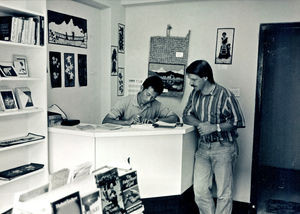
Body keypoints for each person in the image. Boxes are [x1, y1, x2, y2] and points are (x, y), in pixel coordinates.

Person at [182, 60, 245, 214]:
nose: (191, 83)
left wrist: (214, 127)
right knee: (200, 191)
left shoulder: (224, 95)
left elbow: (238, 121)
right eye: (190, 79)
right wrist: (201, 124)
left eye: (194, 79)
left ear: (205, 77)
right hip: (203, 149)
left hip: (223, 148)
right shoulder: (195, 94)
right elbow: (186, 115)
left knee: (224, 193)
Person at [102, 75, 179, 125]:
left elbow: (175, 118)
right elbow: (105, 121)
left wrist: (156, 120)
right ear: (141, 88)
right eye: (148, 94)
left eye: (153, 97)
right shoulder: (125, 101)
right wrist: (127, 122)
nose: (149, 99)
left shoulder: (156, 104)